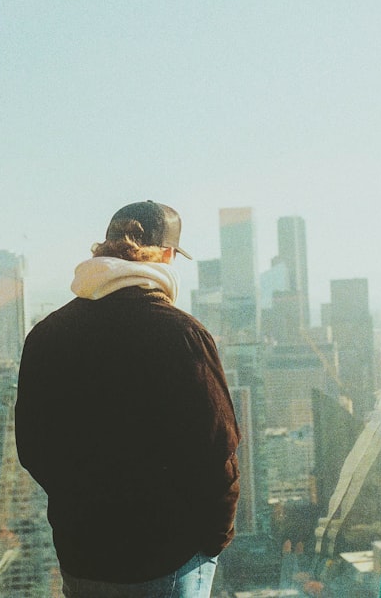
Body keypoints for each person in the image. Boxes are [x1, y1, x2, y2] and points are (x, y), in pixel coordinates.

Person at [15, 200, 240, 598]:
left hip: (83, 555)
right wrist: (211, 542)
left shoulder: (47, 335)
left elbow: (33, 449)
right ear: (167, 256)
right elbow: (217, 451)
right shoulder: (182, 334)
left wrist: (83, 509)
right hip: (168, 558)